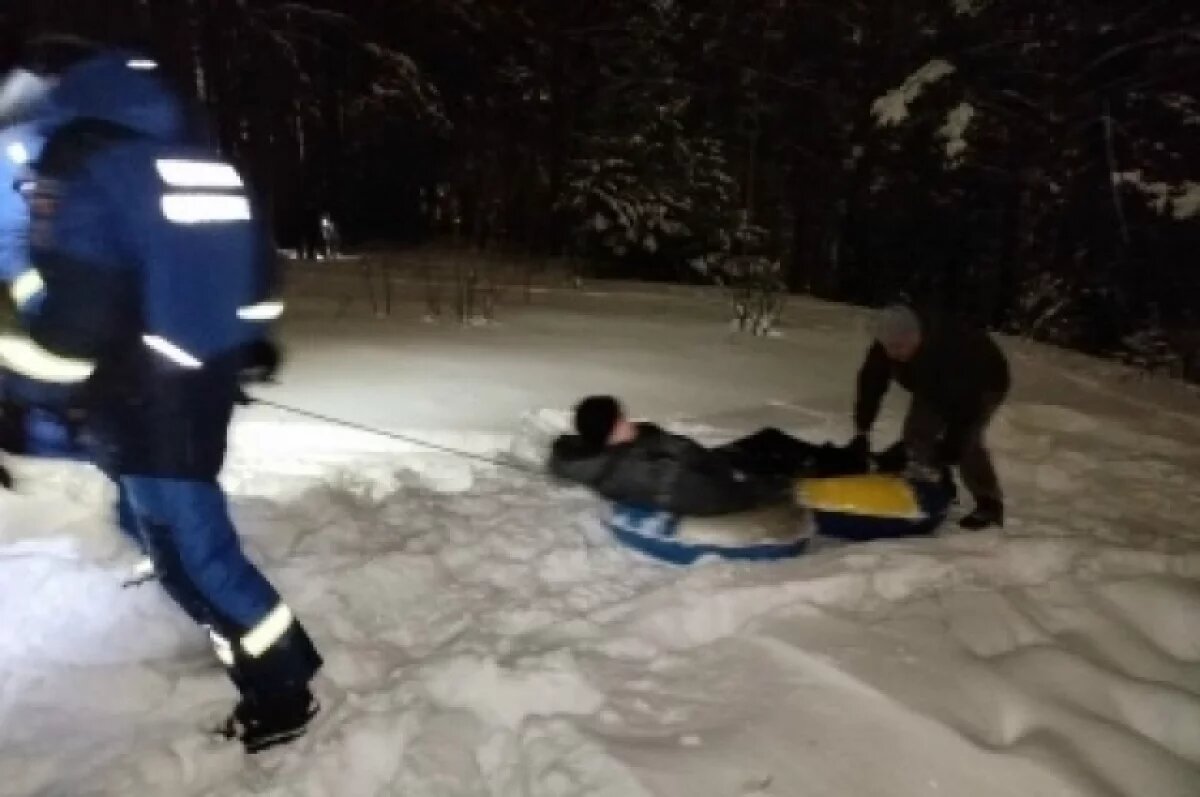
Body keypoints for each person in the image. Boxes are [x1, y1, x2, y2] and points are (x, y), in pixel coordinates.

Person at [0, 38, 320, 752]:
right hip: (196, 386)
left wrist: (15, 387)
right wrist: (245, 345)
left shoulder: (81, 161)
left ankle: (284, 689)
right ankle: (260, 665)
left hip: (144, 399)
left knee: (198, 556)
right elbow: (259, 273)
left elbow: (74, 323)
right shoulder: (199, 158)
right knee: (180, 542)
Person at [549, 395, 878, 517]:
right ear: (608, 434)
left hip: (710, 464)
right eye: (620, 419)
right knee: (780, 458)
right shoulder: (635, 469)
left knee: (769, 439)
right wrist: (774, 489)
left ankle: (849, 458)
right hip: (719, 477)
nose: (628, 420)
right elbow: (704, 494)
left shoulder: (615, 450)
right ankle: (860, 468)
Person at [853, 304, 1010, 530]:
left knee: (968, 444)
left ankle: (989, 504)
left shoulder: (949, 349)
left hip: (983, 383)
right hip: (932, 383)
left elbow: (967, 409)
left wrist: (953, 445)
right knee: (916, 432)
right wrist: (862, 428)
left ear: (918, 336)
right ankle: (936, 483)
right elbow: (871, 384)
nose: (896, 354)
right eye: (890, 348)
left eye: (901, 347)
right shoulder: (886, 344)